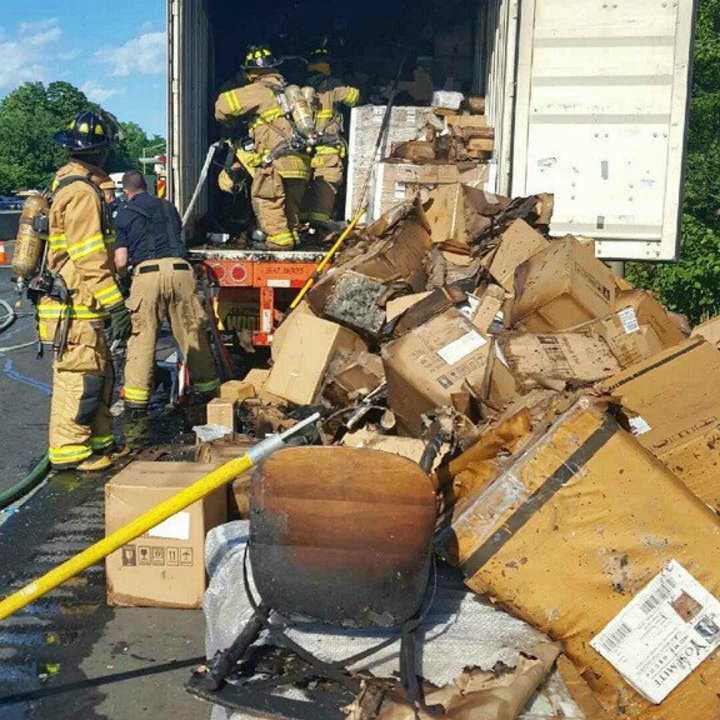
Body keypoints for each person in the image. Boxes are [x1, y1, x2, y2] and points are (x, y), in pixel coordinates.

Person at [41, 110, 131, 471]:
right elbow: (90, 255)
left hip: (80, 303)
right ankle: (70, 451)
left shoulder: (72, 186)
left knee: (98, 372)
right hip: (75, 305)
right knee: (80, 377)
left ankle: (99, 440)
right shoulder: (81, 194)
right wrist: (116, 303)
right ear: (101, 153)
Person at [114, 171, 220, 413]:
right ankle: (209, 393)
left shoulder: (124, 214)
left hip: (147, 274)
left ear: (126, 191)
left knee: (143, 337)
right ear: (145, 186)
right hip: (181, 271)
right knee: (192, 332)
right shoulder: (168, 207)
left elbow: (120, 261)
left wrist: (123, 280)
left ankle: (136, 402)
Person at [215, 44, 311, 250]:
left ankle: (279, 241)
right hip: (300, 161)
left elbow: (222, 107)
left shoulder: (258, 91)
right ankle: (292, 235)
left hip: (275, 161)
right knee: (289, 208)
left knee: (268, 199)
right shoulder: (289, 92)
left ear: (251, 72)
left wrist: (239, 86)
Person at [303, 47, 360, 230]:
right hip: (327, 148)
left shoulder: (298, 89)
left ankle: (302, 222)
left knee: (302, 185)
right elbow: (354, 97)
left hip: (303, 147)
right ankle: (319, 225)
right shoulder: (332, 86)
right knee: (326, 184)